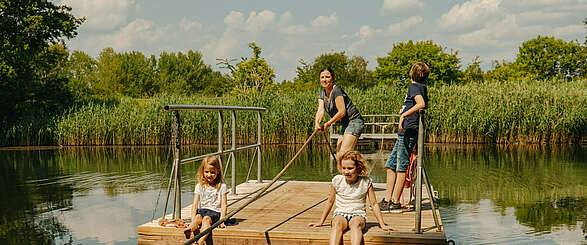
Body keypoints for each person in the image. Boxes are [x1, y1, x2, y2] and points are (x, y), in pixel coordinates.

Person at [308, 151, 395, 245]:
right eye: (344, 168)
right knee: (337, 223)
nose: (346, 171)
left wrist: (382, 224)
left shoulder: (365, 182)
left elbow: (374, 204)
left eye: (350, 168)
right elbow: (330, 201)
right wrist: (321, 222)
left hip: (358, 214)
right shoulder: (337, 180)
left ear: (358, 168)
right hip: (341, 213)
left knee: (355, 224)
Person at [380, 61, 429, 212]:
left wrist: (403, 115)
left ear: (412, 73)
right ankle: (388, 199)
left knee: (401, 166)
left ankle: (395, 202)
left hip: (408, 131)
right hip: (406, 132)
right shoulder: (421, 87)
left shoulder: (414, 87)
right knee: (390, 164)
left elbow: (420, 104)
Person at [314, 68, 365, 165]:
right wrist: (317, 123)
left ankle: (358, 173)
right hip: (345, 124)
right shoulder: (322, 94)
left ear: (332, 79)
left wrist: (328, 124)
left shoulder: (337, 90)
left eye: (327, 77)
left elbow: (342, 112)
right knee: (339, 156)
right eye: (322, 77)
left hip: (354, 121)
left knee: (344, 154)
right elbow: (320, 110)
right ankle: (347, 178)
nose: (325, 80)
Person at [183, 156, 228, 244]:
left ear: (218, 172)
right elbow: (195, 204)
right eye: (206, 172)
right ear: (202, 171)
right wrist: (192, 219)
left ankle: (201, 240)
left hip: (215, 212)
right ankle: (190, 228)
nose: (209, 175)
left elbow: (224, 205)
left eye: (212, 172)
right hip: (203, 211)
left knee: (206, 219)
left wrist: (222, 220)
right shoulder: (200, 186)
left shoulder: (222, 186)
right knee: (198, 217)